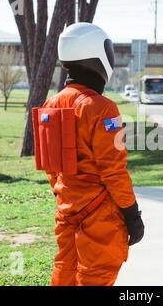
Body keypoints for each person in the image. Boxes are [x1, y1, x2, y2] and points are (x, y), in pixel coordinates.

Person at [41, 23, 144, 286]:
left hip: (67, 211)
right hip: (100, 215)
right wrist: (132, 215)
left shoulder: (51, 105)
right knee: (96, 276)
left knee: (64, 273)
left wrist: (67, 196)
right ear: (96, 55)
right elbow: (114, 171)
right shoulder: (102, 108)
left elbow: (52, 168)